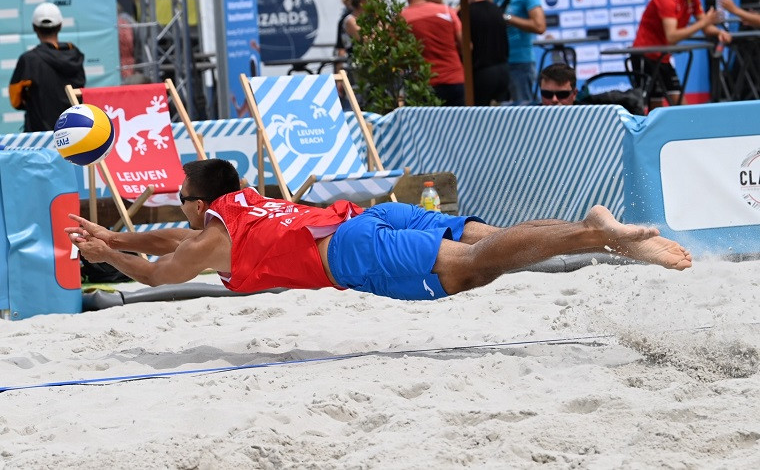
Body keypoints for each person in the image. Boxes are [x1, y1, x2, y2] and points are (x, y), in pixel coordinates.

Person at [66, 159, 692, 302]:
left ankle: (593, 234)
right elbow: (163, 240)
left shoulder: (211, 238)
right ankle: (594, 235)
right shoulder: (247, 204)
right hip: (370, 215)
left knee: (473, 269)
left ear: (201, 201)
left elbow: (157, 269)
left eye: (184, 201)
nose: (182, 211)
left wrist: (105, 257)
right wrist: (115, 238)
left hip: (351, 250)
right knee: (487, 241)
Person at [632, 0, 731, 108]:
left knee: (682, 106)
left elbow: (706, 27)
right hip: (645, 56)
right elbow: (672, 36)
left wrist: (719, 32)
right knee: (652, 107)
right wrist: (705, 23)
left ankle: (690, 131)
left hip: (663, 57)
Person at [8, 2, 86, 132]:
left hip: (40, 137)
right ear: (60, 25)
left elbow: (15, 100)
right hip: (73, 132)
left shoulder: (29, 60)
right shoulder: (75, 54)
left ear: (34, 27)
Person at [400, 0, 465, 106]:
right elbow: (466, 44)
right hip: (454, 79)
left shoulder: (401, 19)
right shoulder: (447, 11)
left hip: (423, 84)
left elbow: (398, 55)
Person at [490, 0, 546, 105]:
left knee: (524, 110)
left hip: (521, 63)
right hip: (501, 63)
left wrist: (508, 18)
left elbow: (539, 26)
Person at [460, 0, 510, 106]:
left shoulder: (465, 13)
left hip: (481, 73)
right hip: (503, 71)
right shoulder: (496, 10)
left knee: (478, 120)